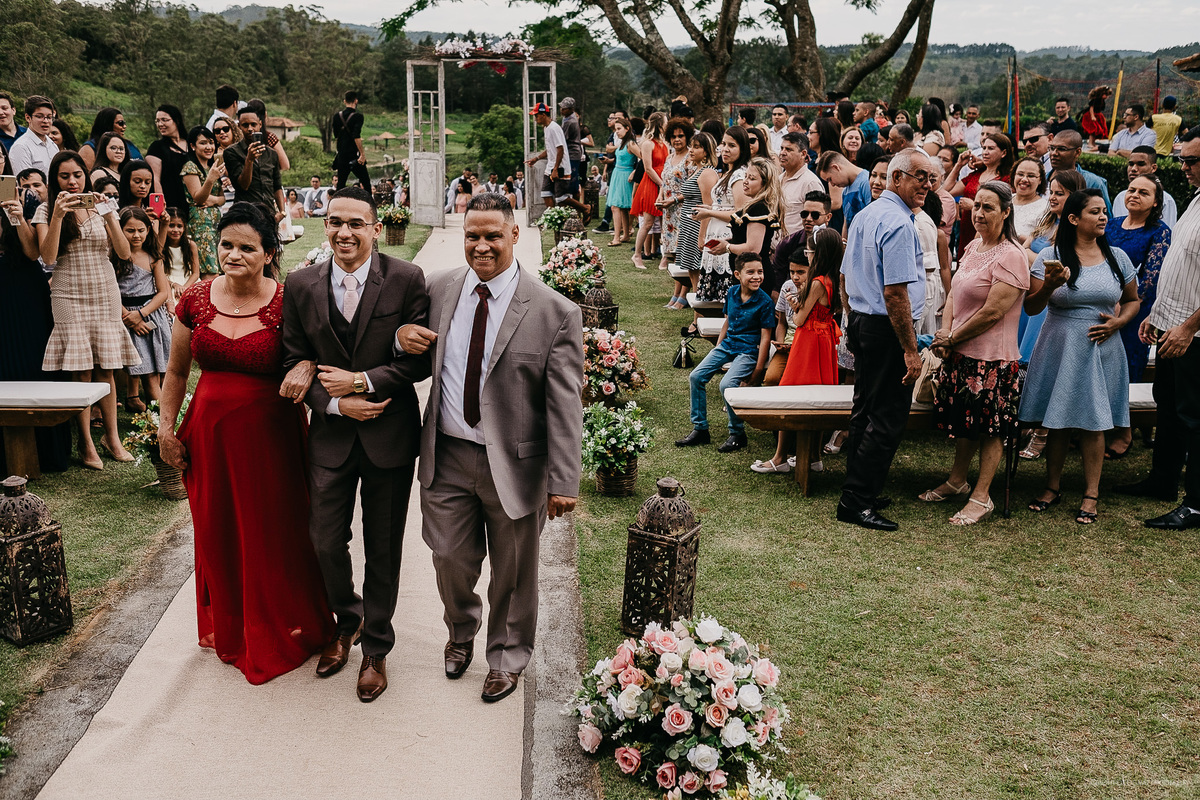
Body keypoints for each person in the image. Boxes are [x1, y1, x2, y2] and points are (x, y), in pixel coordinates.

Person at [395, 192, 582, 704]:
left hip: (517, 465)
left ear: (514, 235)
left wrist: (564, 480)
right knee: (449, 557)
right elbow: (406, 347)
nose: (481, 245)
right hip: (448, 454)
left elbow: (565, 404)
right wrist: (399, 338)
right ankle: (461, 631)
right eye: (472, 235)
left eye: (492, 235)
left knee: (514, 570)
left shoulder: (554, 312)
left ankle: (506, 656)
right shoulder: (438, 290)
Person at [157, 202, 334, 684]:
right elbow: (175, 372)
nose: (233, 255)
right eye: (227, 245)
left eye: (246, 248)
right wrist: (165, 428)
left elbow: (318, 353)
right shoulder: (193, 299)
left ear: (269, 253)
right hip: (209, 437)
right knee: (218, 530)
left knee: (277, 529)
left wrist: (308, 365)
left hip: (271, 438)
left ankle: (285, 626)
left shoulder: (288, 299)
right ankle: (235, 627)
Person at [279, 186, 432, 702]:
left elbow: (420, 360)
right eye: (335, 222)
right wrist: (335, 403)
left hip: (389, 434)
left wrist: (363, 382)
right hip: (330, 434)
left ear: (374, 226)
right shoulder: (300, 284)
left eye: (356, 224)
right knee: (325, 538)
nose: (344, 232)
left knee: (384, 546)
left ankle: (377, 650)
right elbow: (293, 359)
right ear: (326, 224)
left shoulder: (407, 279)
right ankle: (348, 620)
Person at [1019, 189, 1140, 524]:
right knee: (1056, 419)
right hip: (1060, 342)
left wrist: (1119, 321)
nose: (1103, 217)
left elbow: (1133, 300)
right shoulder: (1051, 255)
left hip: (1102, 347)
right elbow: (1030, 307)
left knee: (1094, 421)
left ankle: (1091, 493)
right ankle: (1052, 487)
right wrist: (1047, 286)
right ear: (1073, 219)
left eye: (1104, 211)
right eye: (1094, 212)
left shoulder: (1117, 257)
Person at [836, 149, 931, 531]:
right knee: (887, 418)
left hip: (863, 321)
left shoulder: (867, 214)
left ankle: (861, 490)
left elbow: (846, 277)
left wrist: (850, 322)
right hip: (884, 327)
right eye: (919, 176)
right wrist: (910, 349)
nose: (927, 184)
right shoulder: (896, 222)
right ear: (896, 178)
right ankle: (856, 501)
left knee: (865, 410)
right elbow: (895, 294)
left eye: (931, 178)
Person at [923, 182, 1029, 524]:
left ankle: (982, 497)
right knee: (965, 424)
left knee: (991, 428)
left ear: (1006, 212)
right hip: (960, 352)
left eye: (988, 208)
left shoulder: (1011, 255)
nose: (979, 213)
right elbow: (954, 292)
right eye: (977, 206)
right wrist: (946, 330)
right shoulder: (973, 246)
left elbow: (993, 312)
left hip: (992, 359)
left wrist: (952, 338)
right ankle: (957, 480)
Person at [1115, 127, 1200, 529]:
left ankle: (1197, 503)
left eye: (1191, 161)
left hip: (1193, 334)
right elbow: (1182, 269)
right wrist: (1160, 314)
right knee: (1168, 407)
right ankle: (1162, 481)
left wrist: (1185, 327)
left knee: (1193, 416)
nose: (1184, 167)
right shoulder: (1196, 200)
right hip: (1169, 325)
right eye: (1182, 159)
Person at [34, 151, 140, 469]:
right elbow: (48, 257)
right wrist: (56, 215)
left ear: (86, 175)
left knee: (106, 368)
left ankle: (112, 437)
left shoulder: (102, 206)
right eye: (65, 176)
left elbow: (124, 252)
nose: (72, 181)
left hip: (104, 289)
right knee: (80, 370)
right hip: (67, 292)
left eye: (77, 175)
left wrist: (108, 214)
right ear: (55, 179)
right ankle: (86, 442)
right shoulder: (45, 208)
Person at [753, 230, 844, 473]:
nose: (807, 254)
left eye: (810, 251)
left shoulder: (816, 282)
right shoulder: (833, 279)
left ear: (818, 253)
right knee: (818, 400)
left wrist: (794, 306)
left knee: (790, 394)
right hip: (824, 342)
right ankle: (814, 457)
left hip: (809, 341)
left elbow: (800, 320)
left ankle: (780, 457)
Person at [0, 188, 71, 474]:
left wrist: (17, 217)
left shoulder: (22, 199)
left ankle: (48, 452)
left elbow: (32, 253)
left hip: (26, 291)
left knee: (35, 363)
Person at [676, 253, 775, 453]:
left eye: (760, 272)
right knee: (696, 376)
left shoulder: (765, 302)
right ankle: (700, 428)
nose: (757, 276)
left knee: (726, 384)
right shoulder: (732, 293)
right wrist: (717, 349)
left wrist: (757, 371)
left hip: (748, 351)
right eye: (751, 272)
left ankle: (737, 433)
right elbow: (727, 322)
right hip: (727, 345)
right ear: (738, 274)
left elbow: (765, 338)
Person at [1103, 175, 1171, 458]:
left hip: (1136, 307)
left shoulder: (1159, 231)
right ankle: (1098, 424)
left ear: (1155, 202)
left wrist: (1126, 302)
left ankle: (1125, 429)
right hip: (1103, 300)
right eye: (1131, 189)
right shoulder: (1112, 225)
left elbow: (1151, 275)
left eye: (1143, 192)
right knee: (1101, 361)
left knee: (1127, 364)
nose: (1134, 195)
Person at [114, 207, 172, 405]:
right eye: (130, 231)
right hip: (125, 315)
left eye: (141, 230)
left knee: (157, 371)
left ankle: (161, 415)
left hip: (150, 315)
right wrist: (129, 318)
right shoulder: (114, 259)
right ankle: (157, 415)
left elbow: (163, 293)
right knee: (146, 372)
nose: (136, 235)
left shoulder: (153, 257)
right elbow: (111, 291)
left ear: (148, 230)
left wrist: (141, 314)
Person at [694, 127, 750, 302]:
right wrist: (706, 209)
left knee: (726, 294)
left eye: (732, 145)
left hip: (728, 234)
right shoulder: (728, 172)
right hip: (716, 230)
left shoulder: (739, 175)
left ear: (742, 149)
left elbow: (739, 212)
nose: (725, 149)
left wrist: (709, 212)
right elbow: (722, 205)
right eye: (724, 144)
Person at [944, 132, 1014, 258]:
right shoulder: (976, 174)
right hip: (966, 230)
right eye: (984, 148)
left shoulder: (1007, 179)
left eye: (991, 148)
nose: (985, 152)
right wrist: (959, 165)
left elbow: (1006, 210)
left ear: (1003, 153)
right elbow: (946, 190)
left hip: (989, 233)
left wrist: (973, 207)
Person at [675, 132, 719, 321]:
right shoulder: (698, 170)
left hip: (696, 227)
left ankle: (698, 317)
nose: (691, 150)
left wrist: (702, 236)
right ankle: (697, 315)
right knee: (692, 271)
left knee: (697, 272)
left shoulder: (707, 173)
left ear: (707, 151)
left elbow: (708, 206)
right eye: (691, 146)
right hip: (688, 225)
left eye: (697, 147)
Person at [526, 103, 588, 219]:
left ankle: (585, 208)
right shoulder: (547, 128)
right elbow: (551, 149)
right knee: (545, 193)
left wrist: (555, 169)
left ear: (543, 115)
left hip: (561, 167)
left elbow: (560, 149)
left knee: (561, 198)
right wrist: (537, 158)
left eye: (536, 116)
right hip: (551, 166)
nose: (535, 119)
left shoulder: (554, 128)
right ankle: (553, 218)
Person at [223, 108, 284, 219]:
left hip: (269, 214)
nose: (250, 129)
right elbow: (243, 185)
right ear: (239, 127)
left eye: (253, 124)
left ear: (260, 124)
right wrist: (249, 160)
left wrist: (282, 213)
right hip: (246, 214)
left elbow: (277, 185)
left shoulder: (272, 154)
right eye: (245, 125)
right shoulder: (231, 152)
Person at [180, 126, 223, 280]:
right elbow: (198, 198)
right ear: (193, 146)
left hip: (216, 222)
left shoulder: (214, 167)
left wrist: (214, 200)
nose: (209, 147)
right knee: (210, 272)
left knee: (219, 267)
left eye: (211, 143)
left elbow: (222, 198)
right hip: (201, 224)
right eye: (203, 143)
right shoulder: (190, 167)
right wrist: (210, 180)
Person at [657, 117, 695, 277]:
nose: (677, 139)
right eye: (673, 136)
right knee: (671, 250)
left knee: (682, 251)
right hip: (668, 211)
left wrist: (674, 199)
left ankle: (681, 290)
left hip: (683, 209)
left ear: (687, 137)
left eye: (680, 136)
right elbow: (664, 182)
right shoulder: (669, 157)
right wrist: (660, 197)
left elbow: (694, 188)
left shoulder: (690, 158)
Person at [631, 112, 668, 269]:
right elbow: (647, 168)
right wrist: (661, 184)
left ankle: (665, 257)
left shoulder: (664, 142)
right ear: (660, 124)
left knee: (666, 223)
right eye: (666, 122)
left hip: (663, 183)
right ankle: (637, 254)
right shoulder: (647, 144)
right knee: (648, 222)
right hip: (651, 183)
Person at [1046, 130, 1111, 213]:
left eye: (1062, 149)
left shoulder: (1094, 183)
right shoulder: (1041, 179)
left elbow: (1106, 219)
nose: (1054, 153)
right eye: (1052, 148)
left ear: (1077, 152)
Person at [1113, 146, 1177, 228]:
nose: (1134, 169)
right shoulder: (1120, 197)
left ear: (1153, 168)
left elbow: (1167, 232)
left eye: (1140, 164)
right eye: (1131, 164)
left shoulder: (1166, 200)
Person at [146, 104, 191, 215]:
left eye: (164, 120)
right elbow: (155, 179)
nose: (160, 124)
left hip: (193, 204)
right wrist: (161, 205)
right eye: (157, 121)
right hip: (171, 204)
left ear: (177, 120)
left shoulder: (191, 143)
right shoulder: (157, 147)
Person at [778, 132, 824, 236]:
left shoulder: (810, 183)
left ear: (803, 154)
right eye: (782, 148)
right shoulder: (778, 179)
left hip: (797, 247)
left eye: (788, 149)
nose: (782, 153)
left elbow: (817, 222)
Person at [817, 150, 870, 238]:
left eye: (830, 179)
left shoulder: (866, 182)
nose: (832, 184)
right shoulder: (845, 190)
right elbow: (846, 223)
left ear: (836, 167)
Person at [9, 96, 59, 177]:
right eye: (40, 116)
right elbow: (24, 184)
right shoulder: (21, 147)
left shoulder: (53, 145)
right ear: (28, 118)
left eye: (49, 117)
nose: (46, 121)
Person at [161, 207, 200, 306]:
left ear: (184, 227)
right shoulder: (160, 246)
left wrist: (185, 287)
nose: (175, 230)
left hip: (188, 280)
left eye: (179, 226)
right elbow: (160, 274)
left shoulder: (190, 245)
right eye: (171, 225)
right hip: (168, 282)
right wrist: (174, 285)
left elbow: (196, 273)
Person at [332, 91, 370, 190]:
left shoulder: (337, 116)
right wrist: (362, 154)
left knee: (340, 185)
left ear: (344, 101)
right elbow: (356, 136)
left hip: (341, 155)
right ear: (356, 101)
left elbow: (336, 135)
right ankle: (370, 204)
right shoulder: (358, 116)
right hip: (354, 155)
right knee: (366, 183)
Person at [1011, 157, 1049, 240]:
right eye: (1020, 174)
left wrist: (1017, 237)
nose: (1024, 179)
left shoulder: (1045, 209)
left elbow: (1041, 244)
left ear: (1040, 180)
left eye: (1031, 176)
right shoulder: (1003, 199)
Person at [1081, 86, 1112, 151]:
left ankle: (1093, 142)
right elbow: (1091, 108)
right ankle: (1090, 143)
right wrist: (1092, 116)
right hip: (1090, 115)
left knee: (1098, 130)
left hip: (1097, 115)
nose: (1106, 96)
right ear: (1102, 94)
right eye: (1105, 95)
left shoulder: (1102, 101)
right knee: (1093, 129)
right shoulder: (1095, 100)